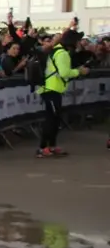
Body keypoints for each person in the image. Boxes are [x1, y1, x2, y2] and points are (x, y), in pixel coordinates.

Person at [37, 28, 88, 158]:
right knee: (52, 120)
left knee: (54, 119)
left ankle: (51, 146)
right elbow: (64, 73)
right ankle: (44, 148)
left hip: (51, 89)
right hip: (52, 90)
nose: (79, 43)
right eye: (77, 40)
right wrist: (79, 72)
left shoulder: (57, 51)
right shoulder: (62, 53)